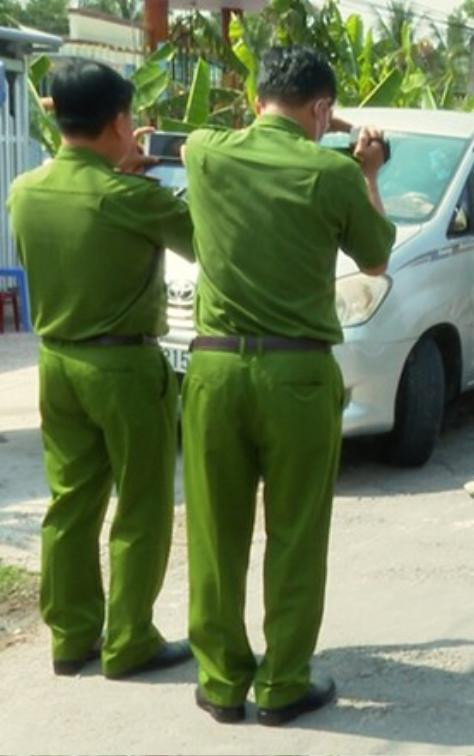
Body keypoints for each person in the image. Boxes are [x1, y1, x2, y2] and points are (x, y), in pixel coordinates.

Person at [182, 46, 396, 726]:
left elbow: (231, 132)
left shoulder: (203, 153)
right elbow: (376, 254)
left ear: (255, 100)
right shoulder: (331, 174)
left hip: (214, 370)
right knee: (296, 533)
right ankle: (281, 686)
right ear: (322, 108)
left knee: (216, 533)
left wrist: (314, 124)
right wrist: (365, 170)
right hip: (298, 373)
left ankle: (220, 683)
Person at [7, 62, 195, 680]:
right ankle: (130, 639)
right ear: (120, 122)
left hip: (56, 361)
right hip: (124, 363)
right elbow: (202, 242)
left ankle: (72, 637)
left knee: (71, 503)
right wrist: (147, 177)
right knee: (140, 505)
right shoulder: (133, 197)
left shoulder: (24, 189)